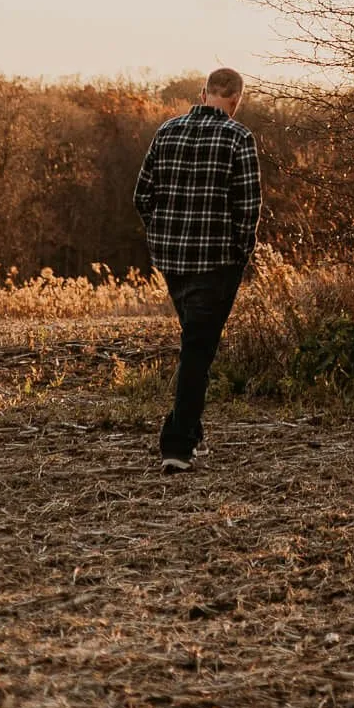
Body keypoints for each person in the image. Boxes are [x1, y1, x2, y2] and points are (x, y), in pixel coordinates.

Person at [132, 65, 261, 474]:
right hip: (216, 262)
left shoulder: (166, 131)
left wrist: (162, 234)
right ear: (236, 101)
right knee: (197, 352)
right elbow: (248, 207)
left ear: (204, 92)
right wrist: (241, 255)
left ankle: (191, 434)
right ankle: (177, 444)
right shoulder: (239, 138)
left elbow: (141, 196)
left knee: (196, 344)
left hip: (172, 261)